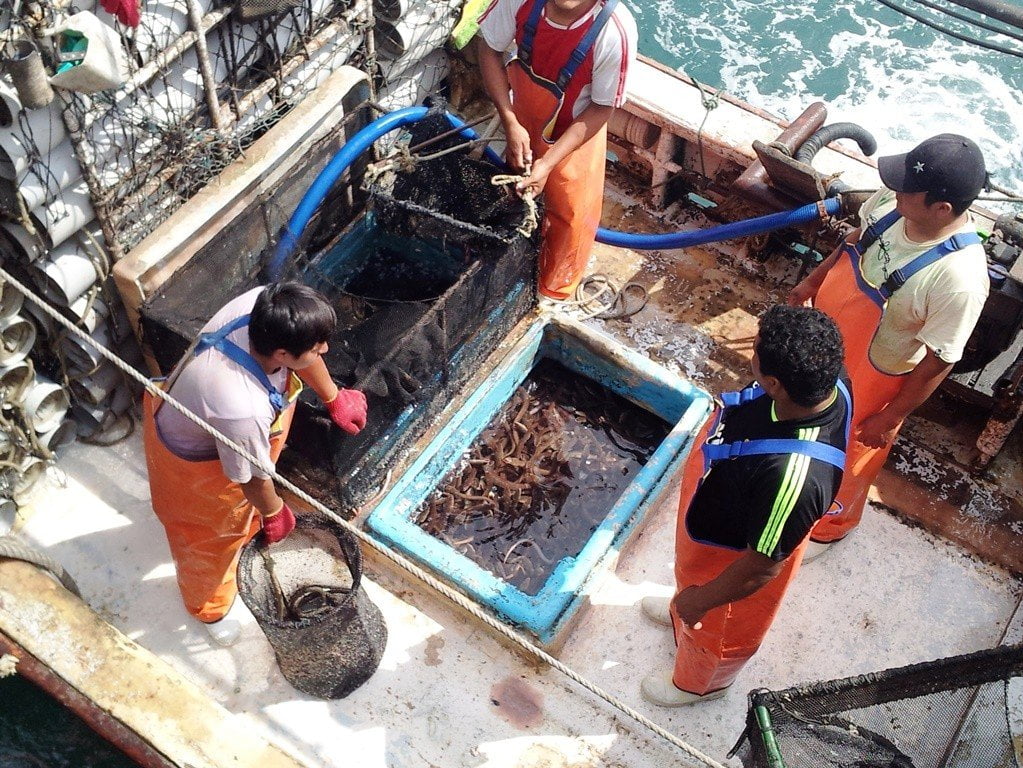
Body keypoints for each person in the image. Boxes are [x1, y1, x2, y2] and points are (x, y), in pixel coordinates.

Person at [787, 134, 989, 554]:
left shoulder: (960, 281)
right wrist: (811, 282)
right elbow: (852, 242)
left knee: (847, 454)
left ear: (941, 209)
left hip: (871, 383)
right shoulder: (891, 204)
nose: (894, 191)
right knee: (795, 416)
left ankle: (829, 527)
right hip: (823, 339)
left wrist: (890, 416)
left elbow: (938, 361)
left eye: (905, 190)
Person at [641, 305, 850, 706]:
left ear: (774, 383)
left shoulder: (796, 479)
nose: (749, 358)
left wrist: (701, 600)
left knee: (716, 635)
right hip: (722, 523)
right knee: (689, 593)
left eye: (754, 353)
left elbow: (761, 567)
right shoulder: (828, 379)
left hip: (735, 569)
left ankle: (698, 686)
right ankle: (680, 613)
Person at [142, 283, 368, 646]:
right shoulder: (241, 409)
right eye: (317, 347)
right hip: (193, 467)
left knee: (246, 512)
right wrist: (275, 511)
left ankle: (248, 528)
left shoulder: (266, 305)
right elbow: (249, 478)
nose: (324, 349)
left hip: (228, 433)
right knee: (207, 541)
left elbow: (304, 352)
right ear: (281, 352)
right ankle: (208, 610)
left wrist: (334, 396)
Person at [476, 0, 637, 301]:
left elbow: (602, 107)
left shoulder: (615, 31)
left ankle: (552, 292)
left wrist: (548, 163)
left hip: (575, 136)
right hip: (522, 119)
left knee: (570, 217)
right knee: (514, 191)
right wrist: (510, 122)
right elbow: (489, 49)